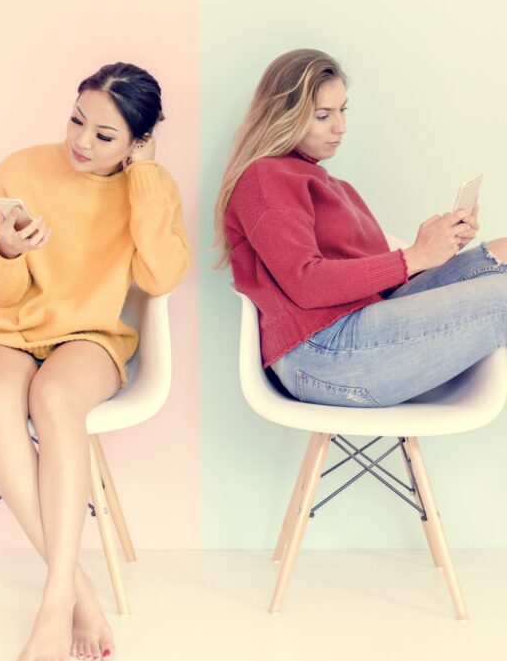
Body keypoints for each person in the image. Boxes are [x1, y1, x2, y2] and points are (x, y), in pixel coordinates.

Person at [0, 62, 191, 661]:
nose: (81, 142)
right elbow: (1, 293)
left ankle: (53, 598)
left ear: (140, 142)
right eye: (76, 120)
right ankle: (75, 590)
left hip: (89, 334)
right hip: (7, 329)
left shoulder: (152, 185)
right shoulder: (22, 168)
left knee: (56, 399)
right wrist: (9, 250)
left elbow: (161, 277)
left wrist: (139, 185)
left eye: (105, 135)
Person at [214, 48, 507, 408]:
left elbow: (380, 290)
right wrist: (412, 257)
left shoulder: (330, 184)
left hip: (363, 329)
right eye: (323, 115)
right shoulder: (265, 178)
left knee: (502, 252)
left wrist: (440, 247)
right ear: (283, 116)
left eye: (342, 110)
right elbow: (306, 283)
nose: (341, 127)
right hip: (323, 354)